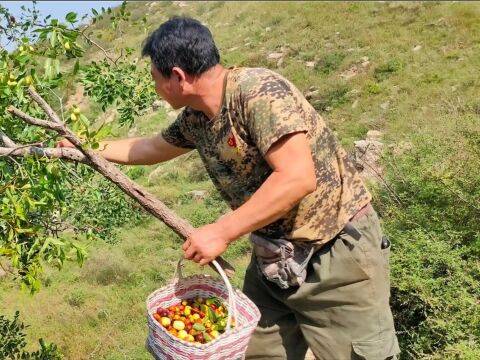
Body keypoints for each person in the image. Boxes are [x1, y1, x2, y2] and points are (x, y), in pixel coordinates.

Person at [58, 16, 400, 360]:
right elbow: (149, 149)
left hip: (335, 252)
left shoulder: (257, 92)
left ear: (177, 76)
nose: (156, 88)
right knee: (255, 352)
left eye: (156, 79)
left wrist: (221, 232)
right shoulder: (197, 118)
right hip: (274, 258)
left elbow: (297, 177)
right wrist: (84, 146)